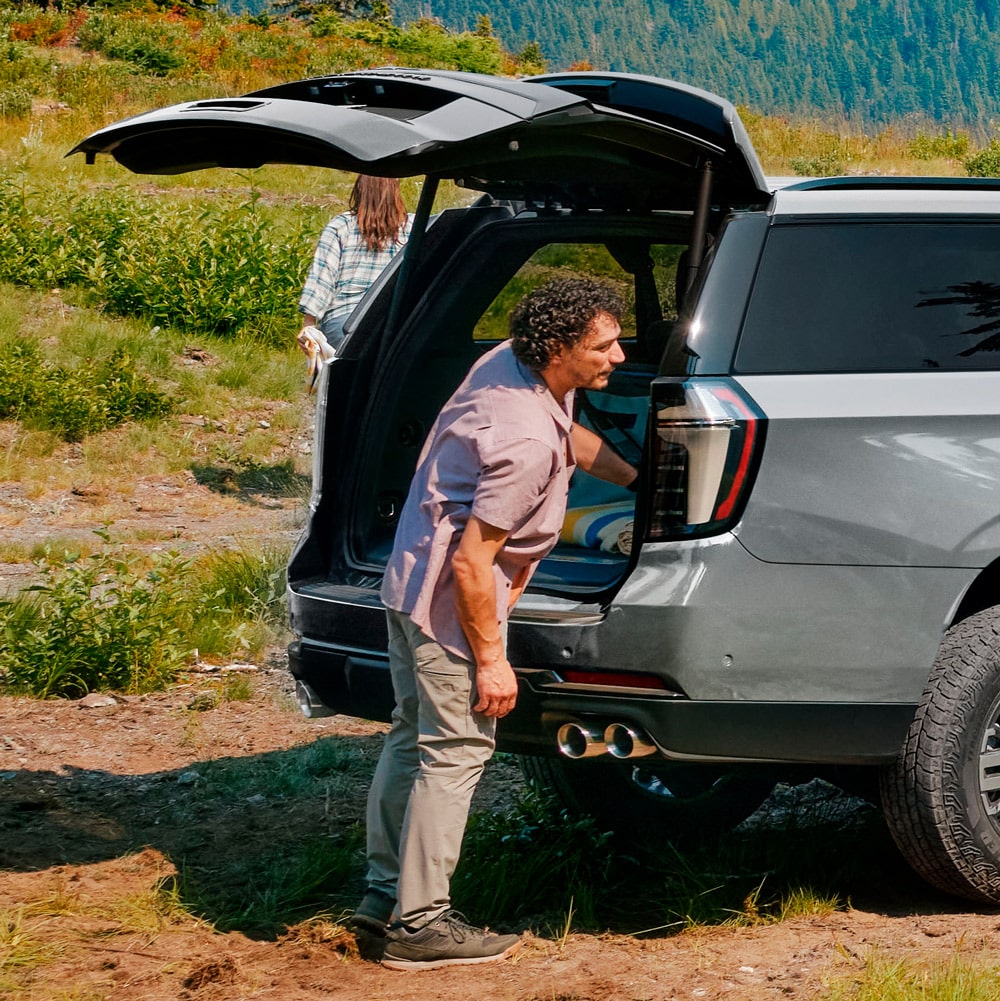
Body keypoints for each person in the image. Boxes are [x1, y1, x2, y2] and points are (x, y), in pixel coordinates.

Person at [353, 277, 638, 971]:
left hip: (407, 580)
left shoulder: (511, 361)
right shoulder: (523, 443)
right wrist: (491, 661)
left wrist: (640, 480)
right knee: (457, 751)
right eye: (603, 345)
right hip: (451, 600)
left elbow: (570, 436)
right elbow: (472, 563)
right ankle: (421, 925)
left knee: (412, 735)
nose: (620, 356)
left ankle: (384, 897)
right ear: (559, 349)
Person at [298, 174, 412, 352]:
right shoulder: (413, 226)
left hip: (343, 322)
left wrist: (309, 324)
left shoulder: (341, 225)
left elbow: (322, 278)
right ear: (395, 191)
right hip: (394, 322)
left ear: (359, 190)